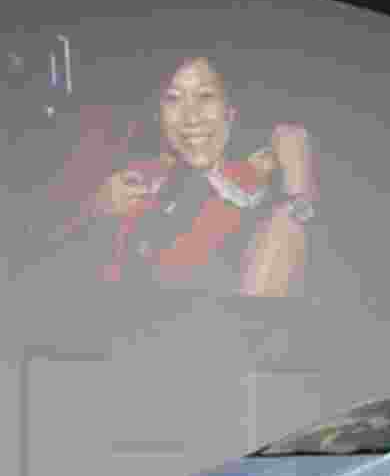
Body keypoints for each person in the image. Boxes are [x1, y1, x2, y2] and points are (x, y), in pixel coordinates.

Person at [87, 55, 318, 296]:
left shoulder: (272, 191)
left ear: (230, 111)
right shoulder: (135, 181)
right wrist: (98, 212)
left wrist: (297, 189)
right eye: (173, 98)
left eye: (205, 96)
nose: (191, 117)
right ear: (158, 113)